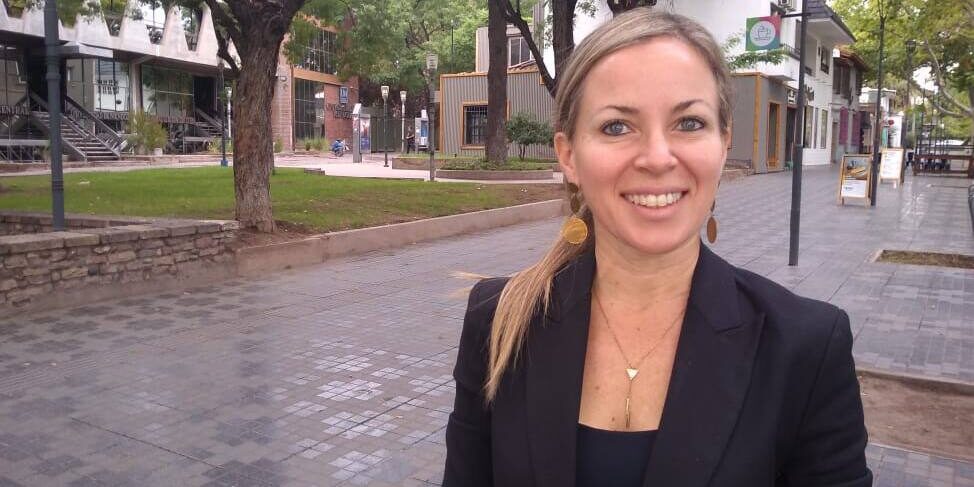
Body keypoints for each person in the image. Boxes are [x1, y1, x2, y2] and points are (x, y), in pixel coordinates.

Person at [444, 9, 871, 487]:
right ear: (569, 156)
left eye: (688, 123)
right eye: (616, 127)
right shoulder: (500, 323)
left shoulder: (806, 349)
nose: (657, 158)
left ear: (723, 143)